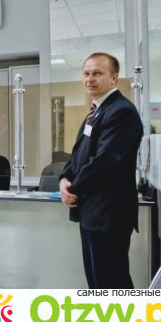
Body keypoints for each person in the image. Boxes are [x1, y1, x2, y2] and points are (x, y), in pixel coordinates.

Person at [59, 52, 143, 289]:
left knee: (111, 283)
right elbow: (78, 155)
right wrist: (64, 179)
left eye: (97, 73)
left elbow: (105, 161)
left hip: (108, 214)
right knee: (97, 282)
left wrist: (73, 189)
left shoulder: (121, 111)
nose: (90, 79)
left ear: (114, 78)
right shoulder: (96, 112)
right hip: (92, 212)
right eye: (86, 73)